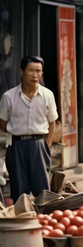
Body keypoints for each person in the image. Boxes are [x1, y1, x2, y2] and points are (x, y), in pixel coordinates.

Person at [0, 56, 58, 201]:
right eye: (31, 70)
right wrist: (17, 130)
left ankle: (44, 221)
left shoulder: (47, 95)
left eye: (38, 71)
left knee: (42, 191)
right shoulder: (9, 96)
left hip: (39, 144)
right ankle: (22, 219)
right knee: (19, 190)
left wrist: (48, 145)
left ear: (42, 73)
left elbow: (52, 122)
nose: (34, 75)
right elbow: (2, 122)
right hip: (16, 145)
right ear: (21, 72)